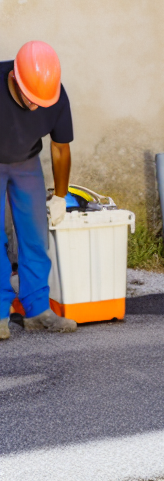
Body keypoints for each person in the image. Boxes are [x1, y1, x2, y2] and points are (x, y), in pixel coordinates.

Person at [1, 41, 77, 339]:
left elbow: (60, 148)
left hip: (27, 161)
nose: (35, 106)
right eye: (30, 99)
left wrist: (60, 196)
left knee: (35, 235)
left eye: (41, 102)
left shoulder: (55, 95)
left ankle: (37, 310)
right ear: (13, 79)